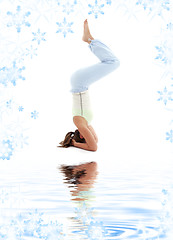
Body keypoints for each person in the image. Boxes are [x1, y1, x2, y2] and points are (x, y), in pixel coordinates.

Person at [59, 19, 120, 151]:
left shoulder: (79, 123)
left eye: (88, 135)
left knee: (113, 62)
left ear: (81, 135)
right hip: (81, 83)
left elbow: (93, 147)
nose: (91, 134)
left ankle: (89, 40)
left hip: (79, 83)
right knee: (112, 62)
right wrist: (83, 140)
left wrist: (75, 144)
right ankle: (90, 40)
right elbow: (96, 141)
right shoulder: (86, 123)